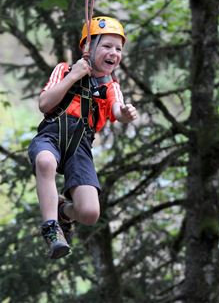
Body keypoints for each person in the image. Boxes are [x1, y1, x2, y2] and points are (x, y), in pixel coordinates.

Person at [28, 16, 137, 259]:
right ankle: (51, 228)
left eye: (118, 49)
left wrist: (127, 114)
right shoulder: (65, 69)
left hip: (79, 147)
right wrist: (74, 75)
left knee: (89, 213)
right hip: (52, 135)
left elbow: (117, 109)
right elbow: (44, 104)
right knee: (45, 162)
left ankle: (63, 212)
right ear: (88, 47)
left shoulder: (110, 86)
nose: (114, 53)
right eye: (107, 46)